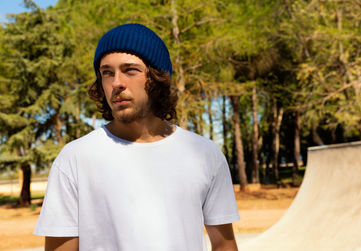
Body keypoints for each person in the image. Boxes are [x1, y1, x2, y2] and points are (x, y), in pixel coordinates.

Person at [34, 23, 240, 251]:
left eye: (130, 70)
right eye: (107, 73)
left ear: (157, 77)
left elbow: (224, 245)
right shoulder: (75, 158)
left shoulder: (205, 155)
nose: (116, 83)